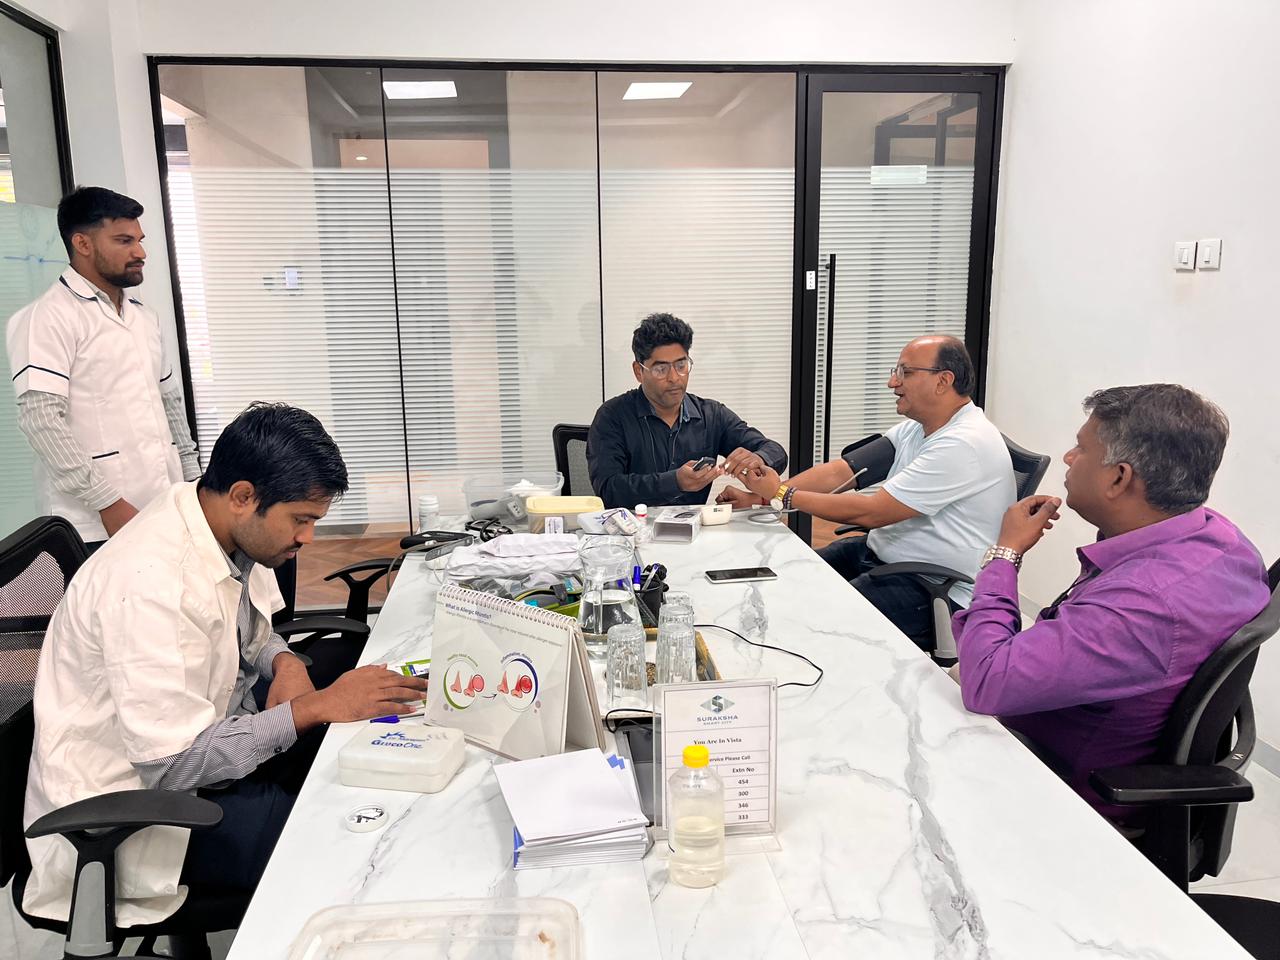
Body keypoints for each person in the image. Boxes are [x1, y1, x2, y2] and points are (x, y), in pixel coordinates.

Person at [22, 403, 430, 927]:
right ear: (243, 496)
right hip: (138, 814)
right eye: (301, 520)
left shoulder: (212, 523)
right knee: (343, 847)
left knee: (356, 731)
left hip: (203, 739)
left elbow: (251, 632)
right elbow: (172, 766)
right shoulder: (150, 585)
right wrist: (312, 708)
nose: (308, 538)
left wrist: (286, 664)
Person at [953, 384, 1270, 819]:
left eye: (1081, 448)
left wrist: (1005, 553)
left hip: (1055, 786)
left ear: (1119, 478)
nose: (1068, 458)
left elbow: (986, 682)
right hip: (1080, 721)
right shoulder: (1221, 538)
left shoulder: (1144, 602)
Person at [732, 335, 1014, 638]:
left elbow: (872, 513)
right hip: (884, 555)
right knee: (784, 580)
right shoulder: (918, 427)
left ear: (943, 381)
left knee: (813, 621)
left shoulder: (963, 443)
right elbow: (843, 472)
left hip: (933, 586)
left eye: (905, 372)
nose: (893, 382)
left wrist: (781, 493)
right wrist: (761, 498)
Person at [6, 186, 200, 549]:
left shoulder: (144, 317)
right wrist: (107, 502)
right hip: (96, 523)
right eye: (124, 241)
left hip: (164, 506)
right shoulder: (46, 318)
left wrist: (193, 483)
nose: (140, 252)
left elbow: (170, 404)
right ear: (82, 243)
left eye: (139, 240)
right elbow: (41, 420)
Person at [587, 312, 787, 508]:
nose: (674, 378)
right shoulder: (612, 416)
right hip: (632, 526)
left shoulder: (711, 415)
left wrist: (758, 458)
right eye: (661, 369)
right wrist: (675, 482)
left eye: (681, 365)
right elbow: (608, 490)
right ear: (639, 371)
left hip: (696, 527)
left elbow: (776, 452)